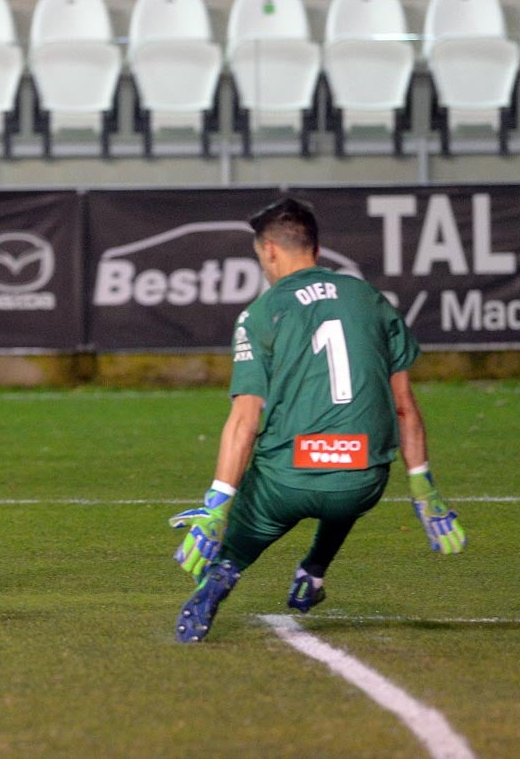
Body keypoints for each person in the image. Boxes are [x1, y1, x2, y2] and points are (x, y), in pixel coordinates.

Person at [168, 196, 466, 643]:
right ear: (316, 248)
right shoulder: (370, 299)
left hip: (288, 482)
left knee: (244, 533)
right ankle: (314, 569)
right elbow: (404, 405)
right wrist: (424, 488)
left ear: (269, 250)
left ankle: (221, 577)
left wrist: (216, 506)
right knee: (350, 468)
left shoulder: (262, 313)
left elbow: (245, 419)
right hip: (361, 483)